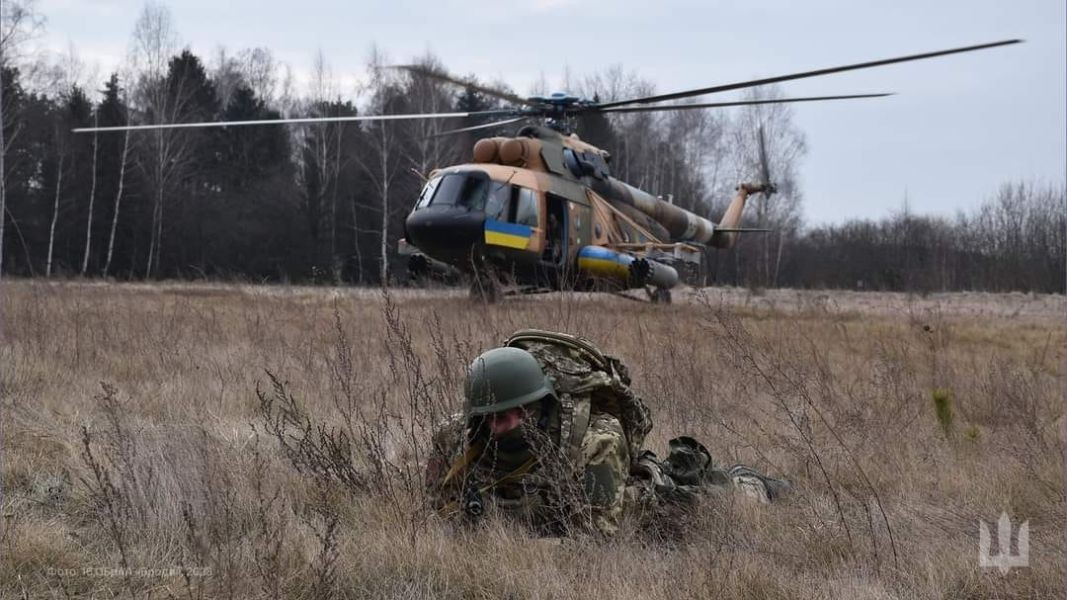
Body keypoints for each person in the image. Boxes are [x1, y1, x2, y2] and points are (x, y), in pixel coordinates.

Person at [426, 329, 790, 536]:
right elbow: (436, 510)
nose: (495, 427)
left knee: (704, 499)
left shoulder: (596, 441)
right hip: (550, 507)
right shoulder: (456, 438)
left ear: (535, 409)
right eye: (487, 417)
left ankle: (749, 482)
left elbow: (596, 539)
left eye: (507, 417)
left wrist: (504, 538)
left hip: (634, 506)